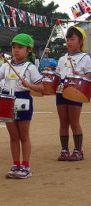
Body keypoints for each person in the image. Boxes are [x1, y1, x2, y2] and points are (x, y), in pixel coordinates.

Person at [0, 33, 44, 179]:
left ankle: (26, 166)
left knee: (24, 135)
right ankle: (16, 164)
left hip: (23, 100)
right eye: (14, 47)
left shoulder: (30, 67)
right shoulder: (6, 66)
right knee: (13, 136)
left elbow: (41, 88)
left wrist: (29, 85)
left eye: (20, 47)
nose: (16, 50)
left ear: (28, 50)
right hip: (7, 100)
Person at [55, 26, 91, 161]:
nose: (69, 42)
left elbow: (89, 75)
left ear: (80, 41)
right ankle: (64, 150)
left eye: (72, 39)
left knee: (74, 121)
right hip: (61, 90)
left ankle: (78, 150)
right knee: (63, 122)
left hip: (76, 90)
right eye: (67, 39)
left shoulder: (85, 57)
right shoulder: (62, 59)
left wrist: (81, 74)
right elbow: (58, 75)